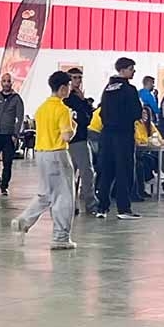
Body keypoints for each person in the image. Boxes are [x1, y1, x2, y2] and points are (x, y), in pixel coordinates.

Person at [10, 71, 77, 250]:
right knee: (64, 196)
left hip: (41, 154)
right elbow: (67, 136)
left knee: (46, 194)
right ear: (63, 88)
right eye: (69, 86)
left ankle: (23, 221)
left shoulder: (42, 108)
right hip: (57, 154)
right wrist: (73, 126)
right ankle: (60, 237)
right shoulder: (63, 109)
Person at [95, 57, 143, 220]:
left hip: (106, 134)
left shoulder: (107, 88)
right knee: (124, 170)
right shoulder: (129, 90)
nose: (133, 71)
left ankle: (102, 207)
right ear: (122, 70)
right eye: (131, 69)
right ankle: (123, 208)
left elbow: (102, 111)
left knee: (106, 170)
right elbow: (136, 112)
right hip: (123, 135)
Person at [64, 68, 98, 216]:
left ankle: (89, 203)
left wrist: (84, 101)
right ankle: (79, 203)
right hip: (72, 140)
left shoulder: (81, 99)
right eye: (75, 78)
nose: (78, 81)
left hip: (82, 138)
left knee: (86, 173)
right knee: (77, 173)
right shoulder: (65, 100)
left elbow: (89, 117)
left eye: (80, 78)